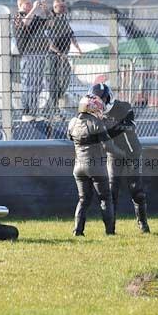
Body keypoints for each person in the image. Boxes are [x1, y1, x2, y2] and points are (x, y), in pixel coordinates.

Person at [90, 83, 150, 233]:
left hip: (131, 152)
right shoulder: (94, 115)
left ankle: (143, 224)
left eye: (101, 99)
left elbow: (129, 126)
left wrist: (107, 124)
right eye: (96, 100)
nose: (100, 103)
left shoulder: (124, 107)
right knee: (111, 192)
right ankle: (110, 229)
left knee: (137, 190)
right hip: (114, 154)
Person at [66, 95, 125, 236]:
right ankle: (110, 232)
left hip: (78, 167)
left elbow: (70, 137)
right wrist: (122, 154)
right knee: (105, 198)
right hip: (95, 166)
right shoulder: (97, 123)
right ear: (93, 108)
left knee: (83, 199)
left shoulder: (72, 122)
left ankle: (78, 231)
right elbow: (108, 146)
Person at [14, 0, 49, 122]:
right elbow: (25, 23)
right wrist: (34, 8)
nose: (29, 6)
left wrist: (44, 10)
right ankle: (27, 112)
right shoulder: (19, 16)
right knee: (28, 84)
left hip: (39, 54)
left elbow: (47, 21)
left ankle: (34, 112)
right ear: (20, 5)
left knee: (37, 85)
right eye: (26, 4)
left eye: (30, 3)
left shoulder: (34, 16)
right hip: (28, 54)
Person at [45, 0, 81, 118]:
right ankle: (53, 110)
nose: (64, 9)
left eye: (64, 7)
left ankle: (50, 107)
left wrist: (78, 48)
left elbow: (71, 34)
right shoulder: (50, 19)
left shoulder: (64, 19)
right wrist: (59, 53)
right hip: (53, 55)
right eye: (61, 7)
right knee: (53, 83)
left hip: (64, 55)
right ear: (55, 8)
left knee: (65, 78)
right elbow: (47, 42)